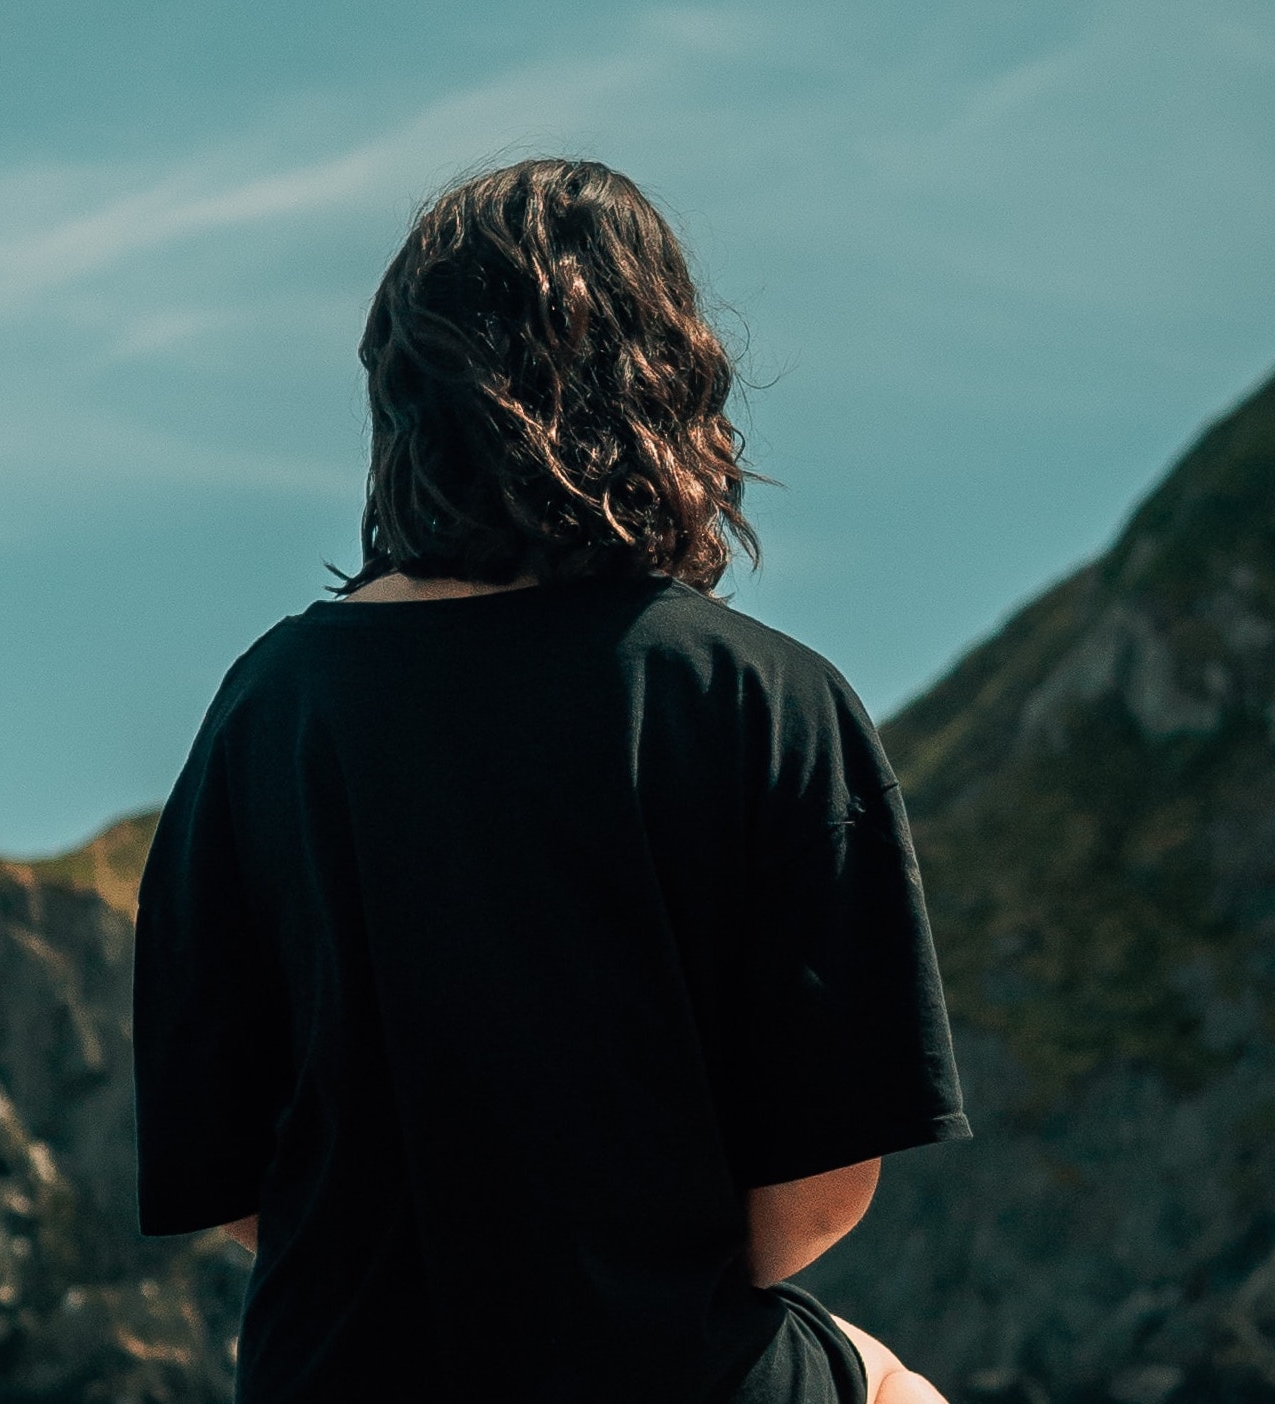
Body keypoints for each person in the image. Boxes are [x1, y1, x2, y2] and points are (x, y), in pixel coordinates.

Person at [132, 157, 969, 1404]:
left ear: (404, 403)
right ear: (667, 385)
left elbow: (232, 1175)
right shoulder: (765, 700)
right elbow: (822, 1190)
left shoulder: (267, 708)